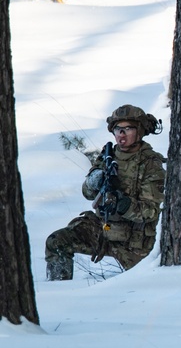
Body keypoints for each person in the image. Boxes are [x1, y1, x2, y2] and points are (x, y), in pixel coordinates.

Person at [45, 104, 166, 280]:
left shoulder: (151, 164)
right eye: (118, 129)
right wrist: (94, 181)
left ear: (139, 131)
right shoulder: (108, 156)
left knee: (142, 284)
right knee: (56, 242)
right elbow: (87, 193)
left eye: (128, 128)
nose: (121, 134)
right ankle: (61, 292)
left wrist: (124, 204)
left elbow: (151, 212)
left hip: (133, 241)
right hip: (103, 228)